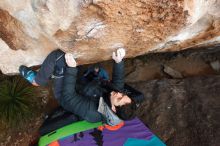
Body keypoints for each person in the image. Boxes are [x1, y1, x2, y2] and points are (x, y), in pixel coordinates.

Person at [19, 48, 136, 125]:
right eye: (123, 95)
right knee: (73, 62)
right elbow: (118, 82)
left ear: (114, 108)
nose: (119, 93)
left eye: (119, 98)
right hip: (83, 85)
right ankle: (54, 74)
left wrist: (71, 69)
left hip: (65, 94)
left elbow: (69, 96)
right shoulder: (116, 98)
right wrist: (119, 61)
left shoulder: (92, 112)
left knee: (59, 57)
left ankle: (38, 80)